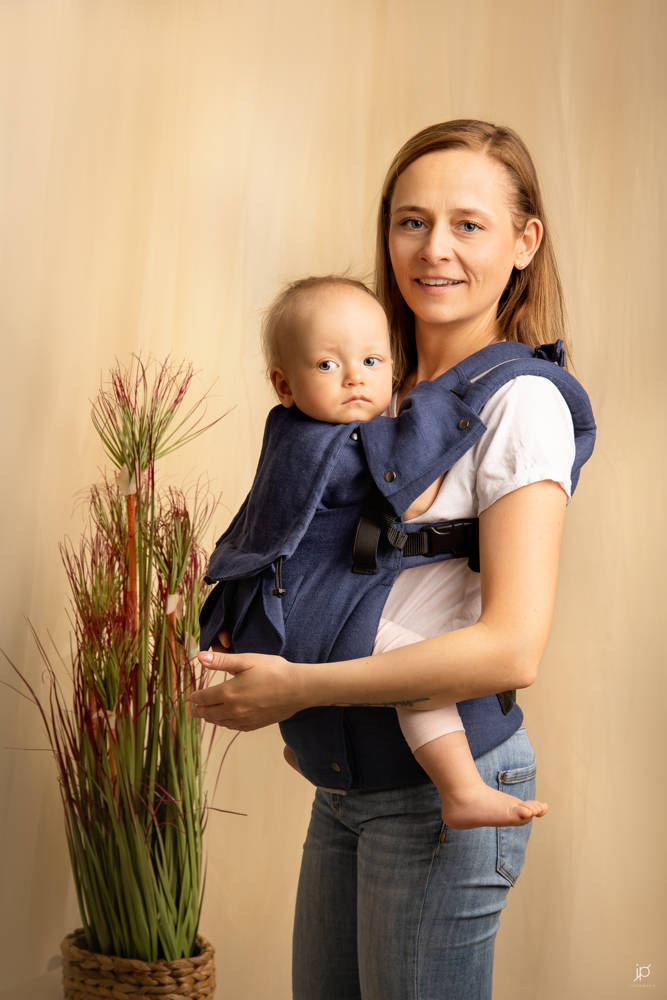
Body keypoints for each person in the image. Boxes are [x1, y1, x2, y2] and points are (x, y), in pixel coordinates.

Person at [191, 120, 595, 999]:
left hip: (440, 792)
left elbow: (510, 649)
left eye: (467, 224)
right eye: (411, 221)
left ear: (524, 242)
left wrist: (299, 689)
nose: (433, 249)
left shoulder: (519, 404)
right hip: (347, 783)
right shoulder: (369, 389)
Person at [199, 273, 547, 829]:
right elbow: (417, 497)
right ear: (284, 384)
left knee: (335, 664)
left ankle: (306, 751)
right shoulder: (354, 442)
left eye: (371, 362)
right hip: (327, 610)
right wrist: (428, 413)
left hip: (283, 611)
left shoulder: (286, 435)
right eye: (327, 365)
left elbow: (256, 525)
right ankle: (460, 788)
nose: (354, 379)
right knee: (416, 673)